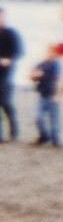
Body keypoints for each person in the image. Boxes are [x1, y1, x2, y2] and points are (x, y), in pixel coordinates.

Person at [30, 44, 63, 147]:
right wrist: (34, 76)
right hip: (42, 95)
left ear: (56, 54)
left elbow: (59, 80)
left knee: (54, 121)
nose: (49, 54)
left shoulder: (57, 65)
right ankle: (44, 135)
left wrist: (58, 94)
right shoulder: (41, 64)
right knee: (38, 117)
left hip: (52, 94)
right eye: (48, 52)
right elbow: (33, 76)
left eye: (52, 52)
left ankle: (55, 140)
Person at [0, 8, 23, 143]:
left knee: (6, 102)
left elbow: (19, 51)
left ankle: (14, 130)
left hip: (7, 73)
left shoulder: (11, 33)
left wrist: (9, 60)